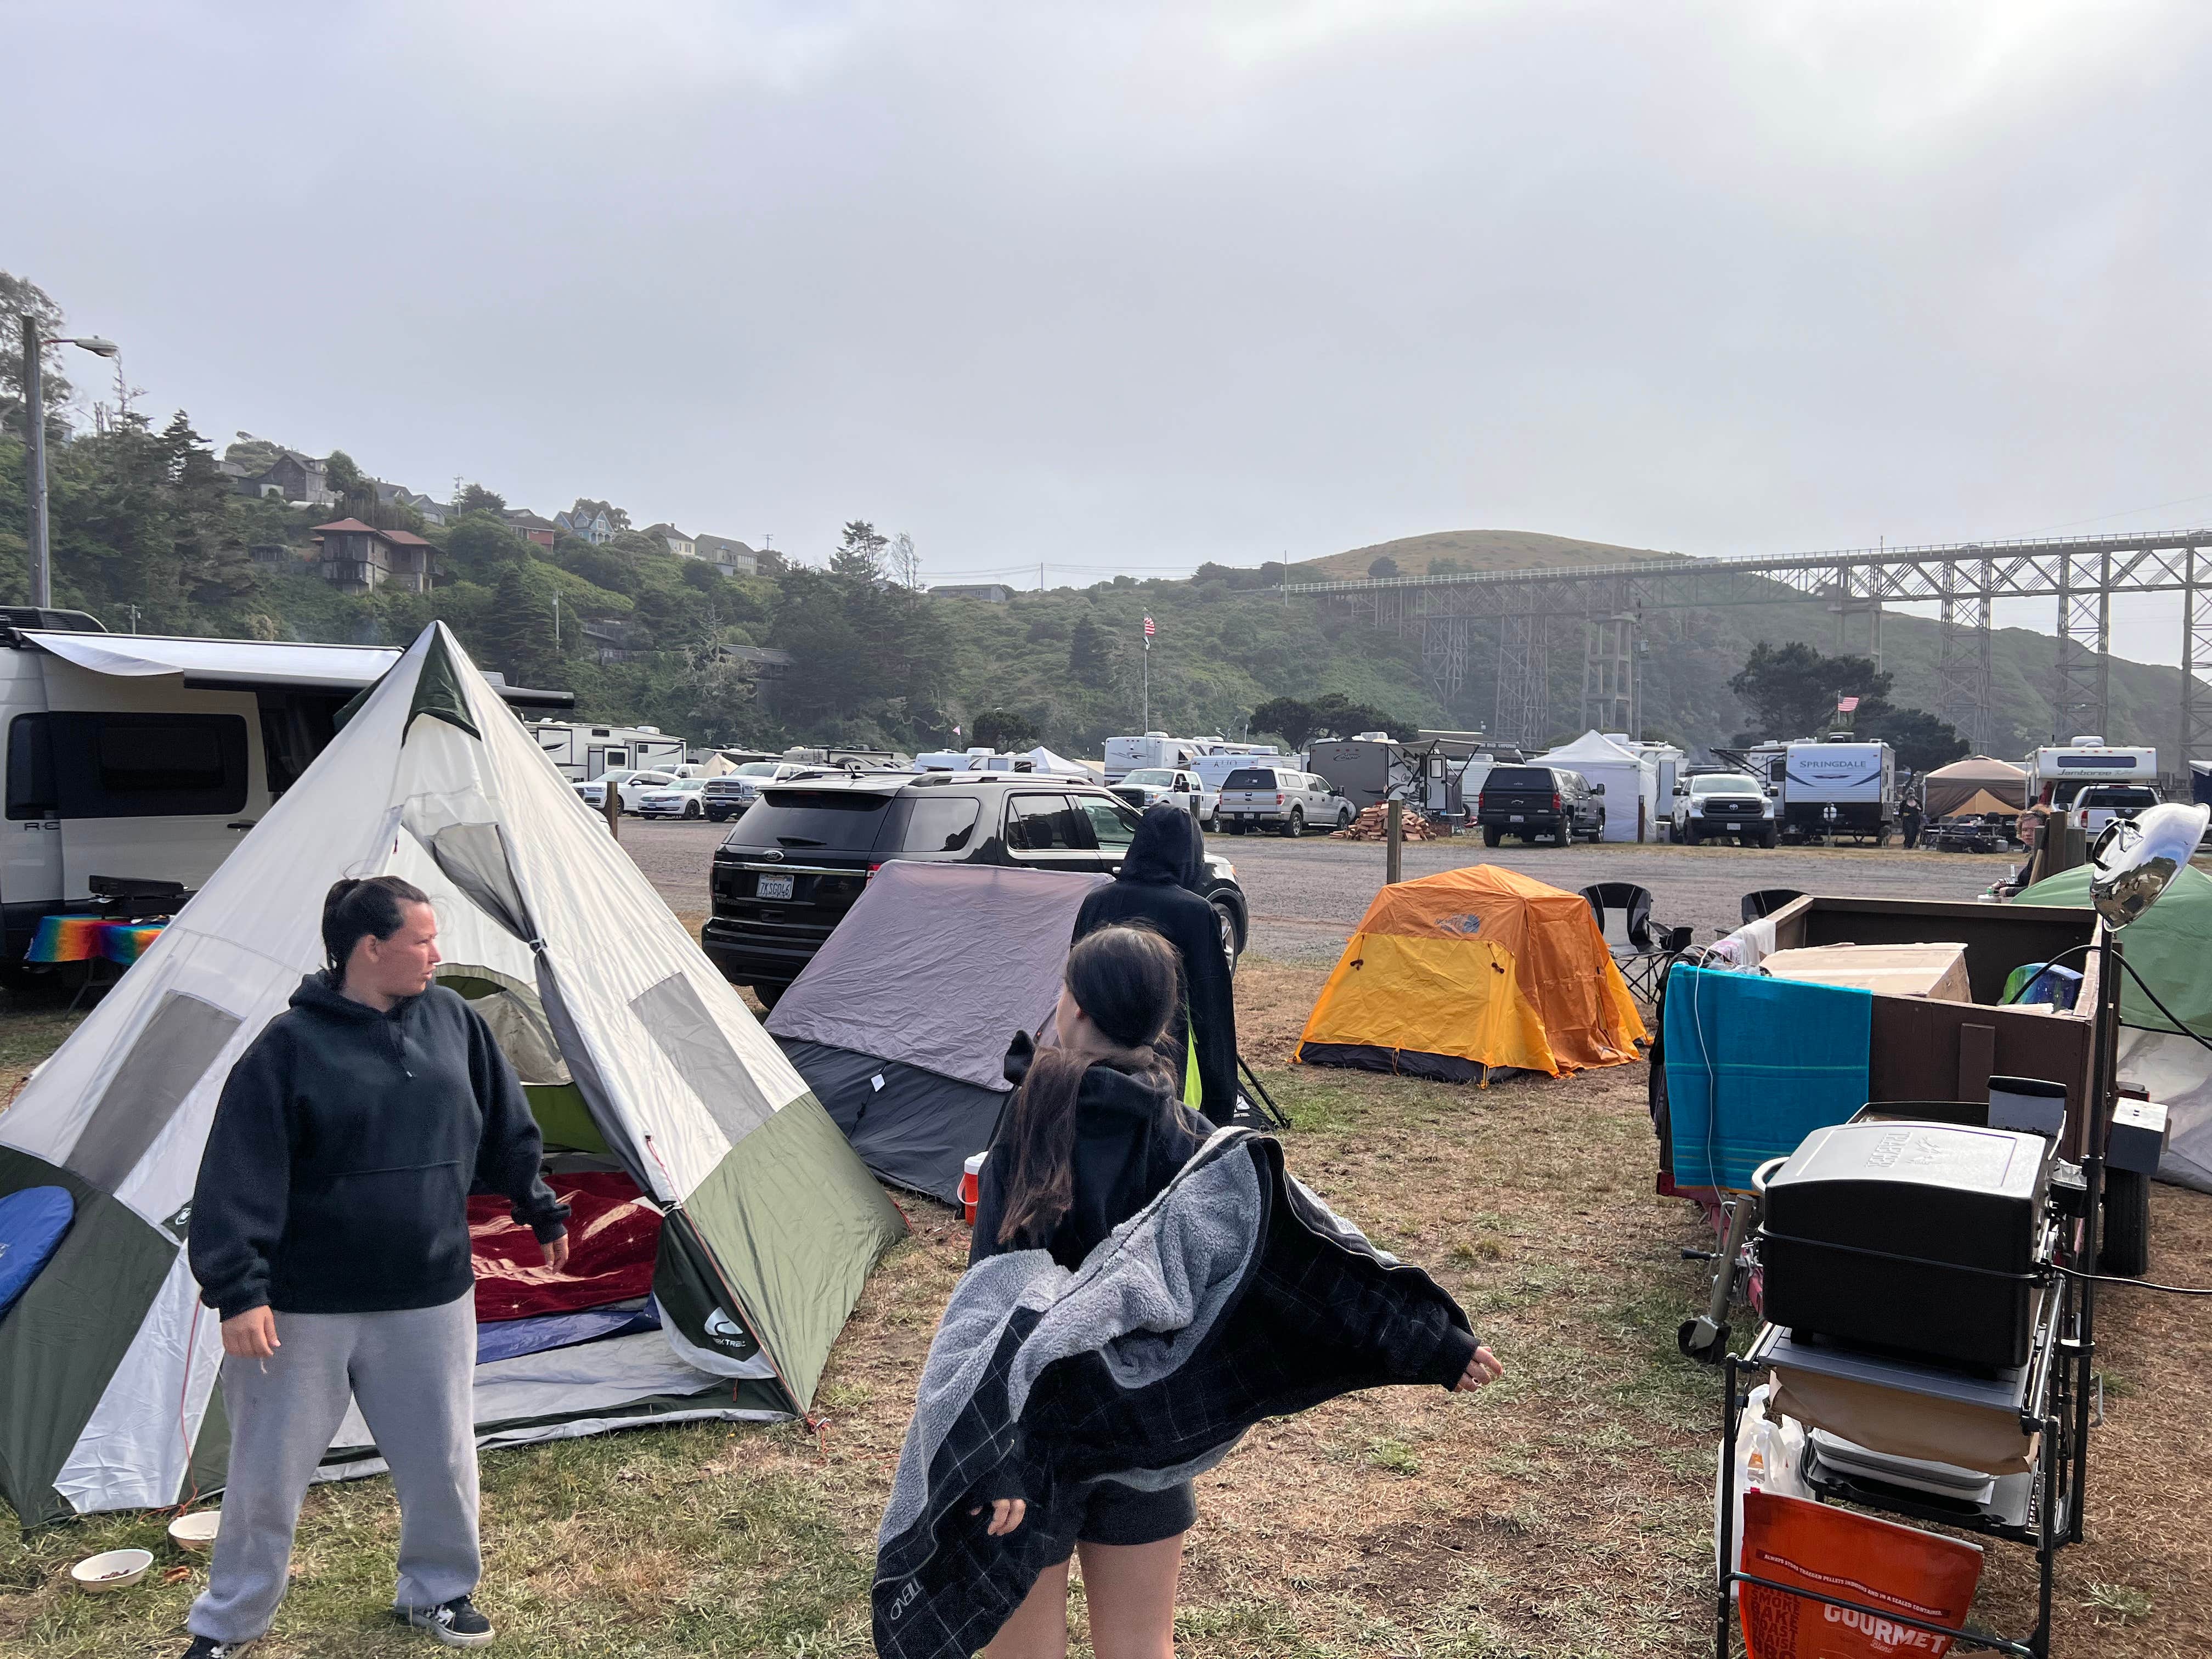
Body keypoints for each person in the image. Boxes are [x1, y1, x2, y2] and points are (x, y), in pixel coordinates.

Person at [967, 925, 1503, 1659]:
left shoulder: (1028, 1123)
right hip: (1144, 1428)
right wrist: (1437, 1342)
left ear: (1079, 1012)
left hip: (1031, 1437)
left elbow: (989, 1302)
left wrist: (984, 1449)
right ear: (1158, 1025)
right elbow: (1310, 1254)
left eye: (1064, 990)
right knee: (1140, 1649)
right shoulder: (1196, 1144)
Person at [180, 876, 571, 1657]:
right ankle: (229, 1625)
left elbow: (505, 1124)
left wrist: (538, 1205)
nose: (437, 954)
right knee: (265, 1478)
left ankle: (439, 1592)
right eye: (422, 940)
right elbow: (238, 1171)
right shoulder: (287, 1049)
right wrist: (240, 1290)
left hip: (427, 1292)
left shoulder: (455, 1022)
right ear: (371, 949)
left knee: (442, 1459)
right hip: (303, 1308)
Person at [1071, 804, 1238, 1125]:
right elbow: (1213, 1009)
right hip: (1161, 1045)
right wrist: (1221, 1103)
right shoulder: (1194, 912)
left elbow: (1074, 980)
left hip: (1093, 1045)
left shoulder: (1097, 901)